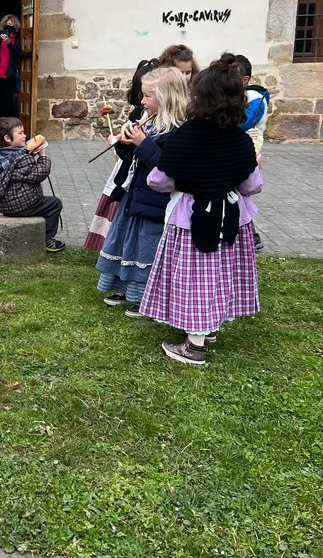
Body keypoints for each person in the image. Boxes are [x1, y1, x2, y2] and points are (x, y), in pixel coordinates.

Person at [139, 53, 262, 366]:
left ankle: (195, 346)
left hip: (192, 218)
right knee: (220, 275)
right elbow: (251, 185)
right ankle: (210, 327)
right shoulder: (240, 140)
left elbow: (159, 181)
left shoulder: (184, 137)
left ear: (198, 98)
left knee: (197, 280)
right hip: (232, 218)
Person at [96, 66, 189, 317]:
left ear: (167, 97)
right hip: (135, 195)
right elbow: (136, 159)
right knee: (127, 242)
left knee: (147, 247)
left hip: (155, 201)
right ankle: (126, 289)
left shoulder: (179, 130)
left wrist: (143, 144)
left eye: (148, 96)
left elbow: (166, 167)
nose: (142, 101)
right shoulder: (151, 122)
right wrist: (126, 145)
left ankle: (147, 297)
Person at [84, 58, 158, 251]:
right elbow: (131, 151)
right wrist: (121, 142)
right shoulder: (140, 113)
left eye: (147, 95)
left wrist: (124, 144)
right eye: (143, 94)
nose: (143, 100)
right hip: (132, 177)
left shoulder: (158, 121)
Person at [0, 116, 65, 251]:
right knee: (54, 203)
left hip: (5, 206)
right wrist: (43, 156)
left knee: (45, 204)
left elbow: (19, 171)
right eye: (20, 133)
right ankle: (47, 240)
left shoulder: (2, 155)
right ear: (7, 138)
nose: (25, 136)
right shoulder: (22, 157)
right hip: (22, 205)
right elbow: (38, 174)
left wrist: (30, 155)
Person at [236, 54, 270, 252]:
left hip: (250, 144)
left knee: (241, 191)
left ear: (245, 79)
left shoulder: (257, 99)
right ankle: (251, 234)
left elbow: (245, 123)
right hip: (238, 144)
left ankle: (252, 236)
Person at [0, 14, 22, 119]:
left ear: (15, 26)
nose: (9, 26)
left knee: (7, 102)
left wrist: (9, 43)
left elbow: (16, 55)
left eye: (11, 24)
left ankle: (8, 124)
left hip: (9, 75)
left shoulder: (17, 39)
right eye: (6, 24)